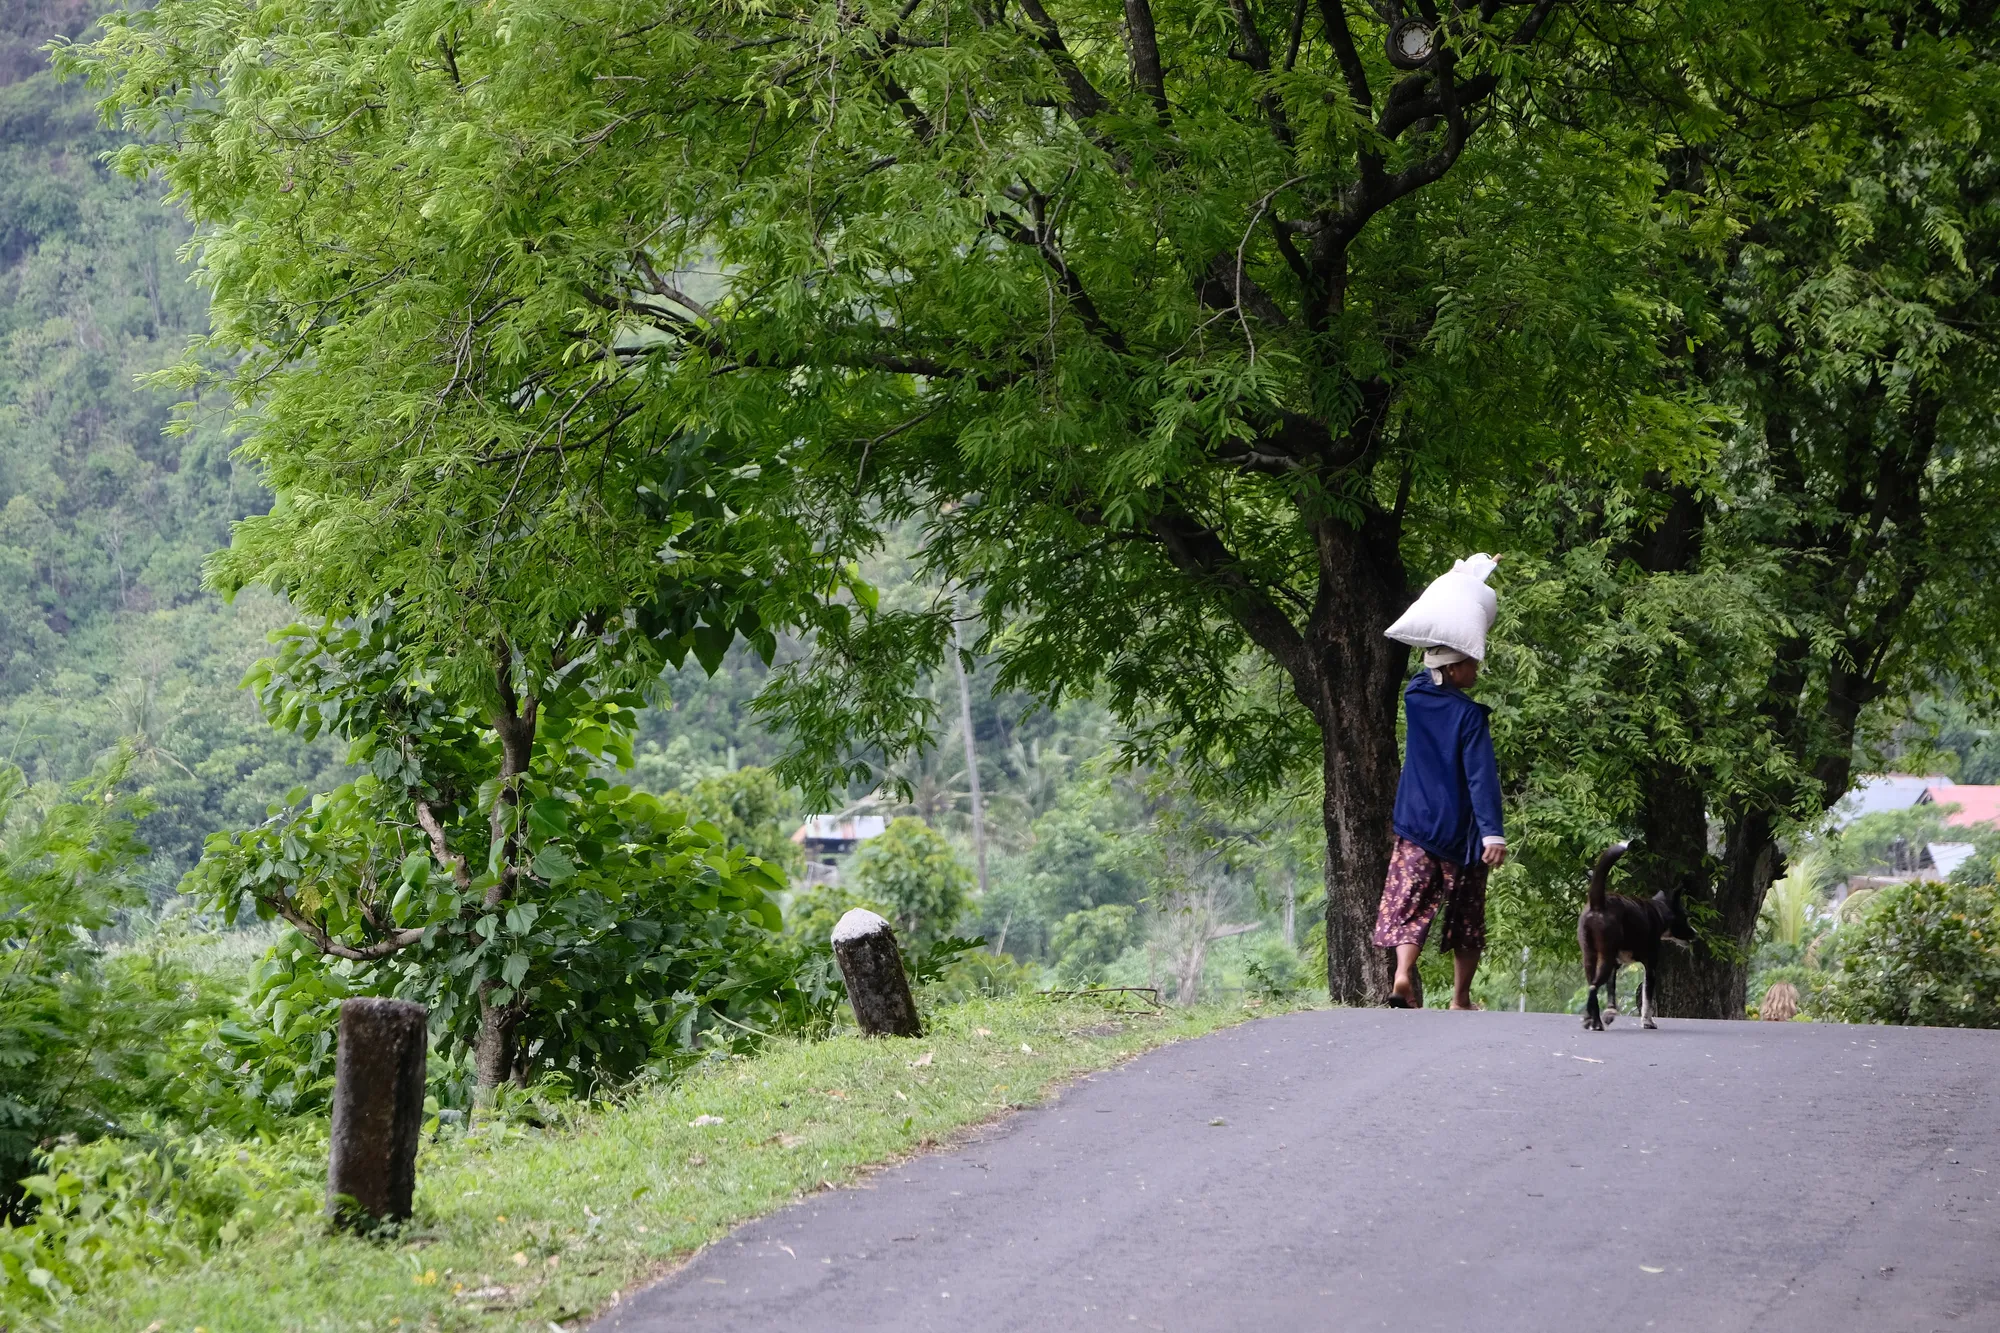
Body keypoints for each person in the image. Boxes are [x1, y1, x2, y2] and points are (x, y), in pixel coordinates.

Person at [1373, 645, 1506, 1009]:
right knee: (1467, 914)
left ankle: (1403, 973)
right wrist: (1492, 831)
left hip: (1416, 825)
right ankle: (1460, 998)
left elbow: (1422, 676)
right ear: (1451, 669)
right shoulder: (1469, 716)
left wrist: (1435, 658)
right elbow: (1481, 778)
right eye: (1470, 662)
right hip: (1461, 834)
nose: (1477, 668)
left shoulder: (1415, 697)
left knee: (1410, 906)